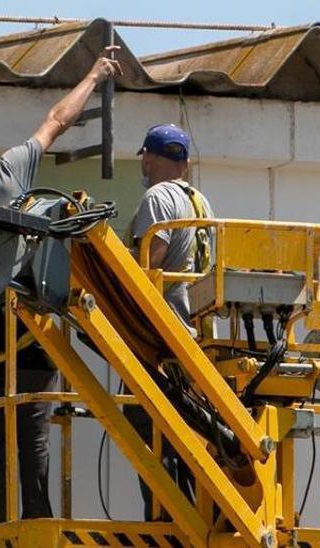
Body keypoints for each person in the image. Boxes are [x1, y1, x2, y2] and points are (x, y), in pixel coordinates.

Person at [0, 48, 122, 525]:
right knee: (31, 427)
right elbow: (56, 120)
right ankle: (36, 519)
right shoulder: (5, 172)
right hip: (26, 324)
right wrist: (94, 75)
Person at [125, 123, 214, 519]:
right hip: (192, 338)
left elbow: (151, 260)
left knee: (146, 424)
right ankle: (194, 513)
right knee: (188, 431)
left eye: (146, 155)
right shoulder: (200, 203)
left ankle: (166, 517)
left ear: (154, 157)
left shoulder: (158, 198)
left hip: (158, 338)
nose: (143, 162)